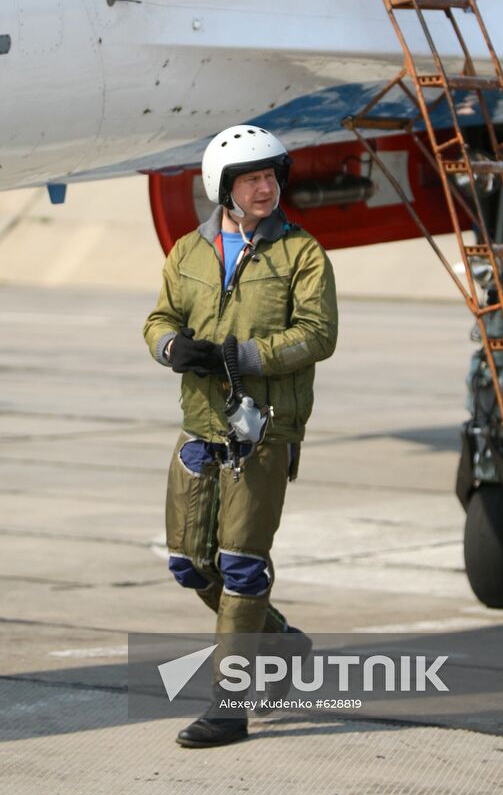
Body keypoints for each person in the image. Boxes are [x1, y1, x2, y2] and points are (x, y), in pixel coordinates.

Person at [143, 125, 338, 747]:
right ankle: (279, 643)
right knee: (189, 563)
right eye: (252, 179)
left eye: (271, 176)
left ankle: (231, 705)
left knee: (242, 566)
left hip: (264, 430)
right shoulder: (186, 252)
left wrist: (243, 356)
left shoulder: (301, 254)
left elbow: (318, 334)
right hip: (199, 424)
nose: (266, 187)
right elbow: (159, 317)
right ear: (222, 188)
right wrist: (171, 347)